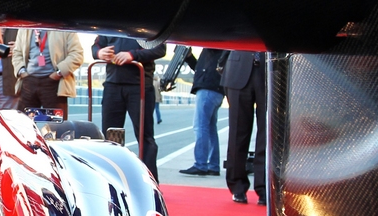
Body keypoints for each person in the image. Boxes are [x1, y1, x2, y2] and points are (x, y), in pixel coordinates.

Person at [92, 35, 167, 178]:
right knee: (111, 136)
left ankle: (150, 181)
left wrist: (133, 55)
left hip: (140, 86)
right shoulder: (111, 25)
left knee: (144, 136)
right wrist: (99, 53)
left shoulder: (147, 26)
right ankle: (112, 179)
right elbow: (95, 47)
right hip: (112, 85)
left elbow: (160, 49)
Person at [222, 50, 267, 205]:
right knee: (237, 133)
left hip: (271, 69)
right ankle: (237, 186)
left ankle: (265, 187)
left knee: (267, 134)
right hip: (238, 68)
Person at [179, 48, 230, 178]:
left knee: (200, 126)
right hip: (215, 88)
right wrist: (189, 57)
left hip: (208, 88)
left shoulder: (214, 46)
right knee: (210, 129)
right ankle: (213, 165)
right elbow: (198, 68)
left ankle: (200, 164)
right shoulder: (214, 53)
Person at [12, 29, 82, 117]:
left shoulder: (64, 28)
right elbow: (17, 53)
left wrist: (58, 74)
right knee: (24, 124)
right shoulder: (25, 28)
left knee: (56, 126)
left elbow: (77, 55)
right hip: (29, 82)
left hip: (54, 84)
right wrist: (22, 72)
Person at [0, 28, 22, 111]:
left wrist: (19, 48)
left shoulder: (19, 25)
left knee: (9, 115)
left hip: (7, 78)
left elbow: (35, 45)